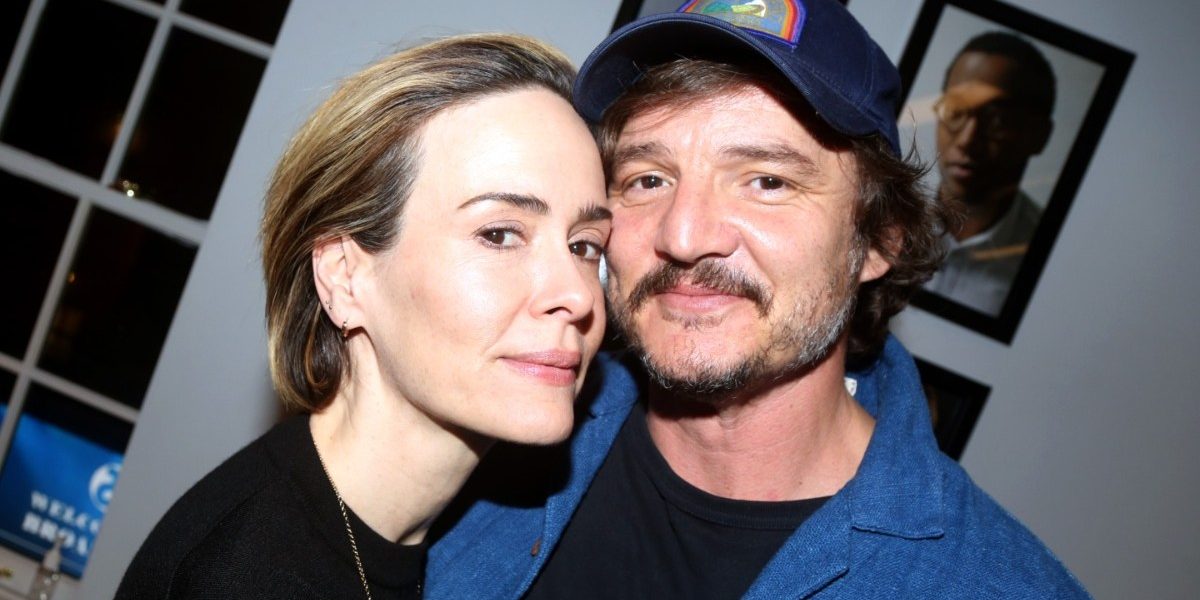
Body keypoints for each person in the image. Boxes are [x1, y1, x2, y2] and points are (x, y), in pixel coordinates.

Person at [427, 2, 1088, 598]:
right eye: (648, 179)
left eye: (767, 181)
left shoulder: (997, 586)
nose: (684, 236)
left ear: (879, 239)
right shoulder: (480, 436)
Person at [116, 33, 612, 599]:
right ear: (344, 277)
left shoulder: (443, 537)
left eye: (585, 245)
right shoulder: (245, 578)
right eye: (499, 235)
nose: (576, 295)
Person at [923, 31, 1056, 316]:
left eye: (997, 120)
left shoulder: (1054, 264)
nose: (967, 140)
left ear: (1039, 136)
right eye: (956, 111)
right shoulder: (879, 218)